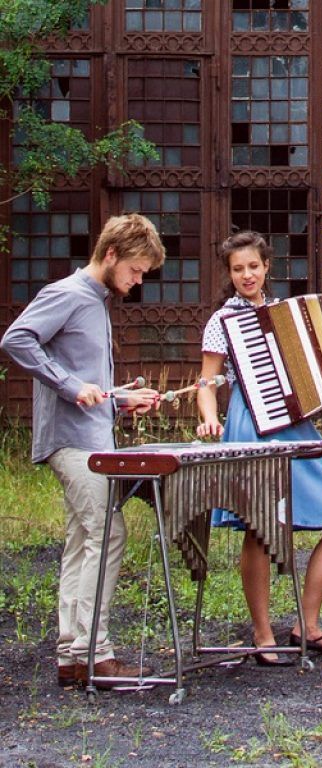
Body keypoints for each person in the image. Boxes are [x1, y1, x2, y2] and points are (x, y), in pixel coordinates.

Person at [1, 213, 166, 687]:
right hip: (72, 443)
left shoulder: (95, 302)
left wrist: (120, 399)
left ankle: (72, 656)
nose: (137, 281)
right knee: (107, 535)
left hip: (91, 436)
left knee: (83, 539)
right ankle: (97, 653)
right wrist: (72, 386)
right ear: (111, 254)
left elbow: (90, 386)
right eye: (135, 270)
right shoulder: (67, 294)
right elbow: (16, 339)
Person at [196, 231, 322, 665]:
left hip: (297, 425)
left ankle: (307, 624)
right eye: (237, 269)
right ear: (229, 274)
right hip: (251, 425)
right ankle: (263, 635)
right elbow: (207, 381)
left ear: (267, 267)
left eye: (253, 266)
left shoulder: (288, 313)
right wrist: (210, 414)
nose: (246, 275)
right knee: (260, 530)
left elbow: (317, 369)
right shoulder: (221, 321)